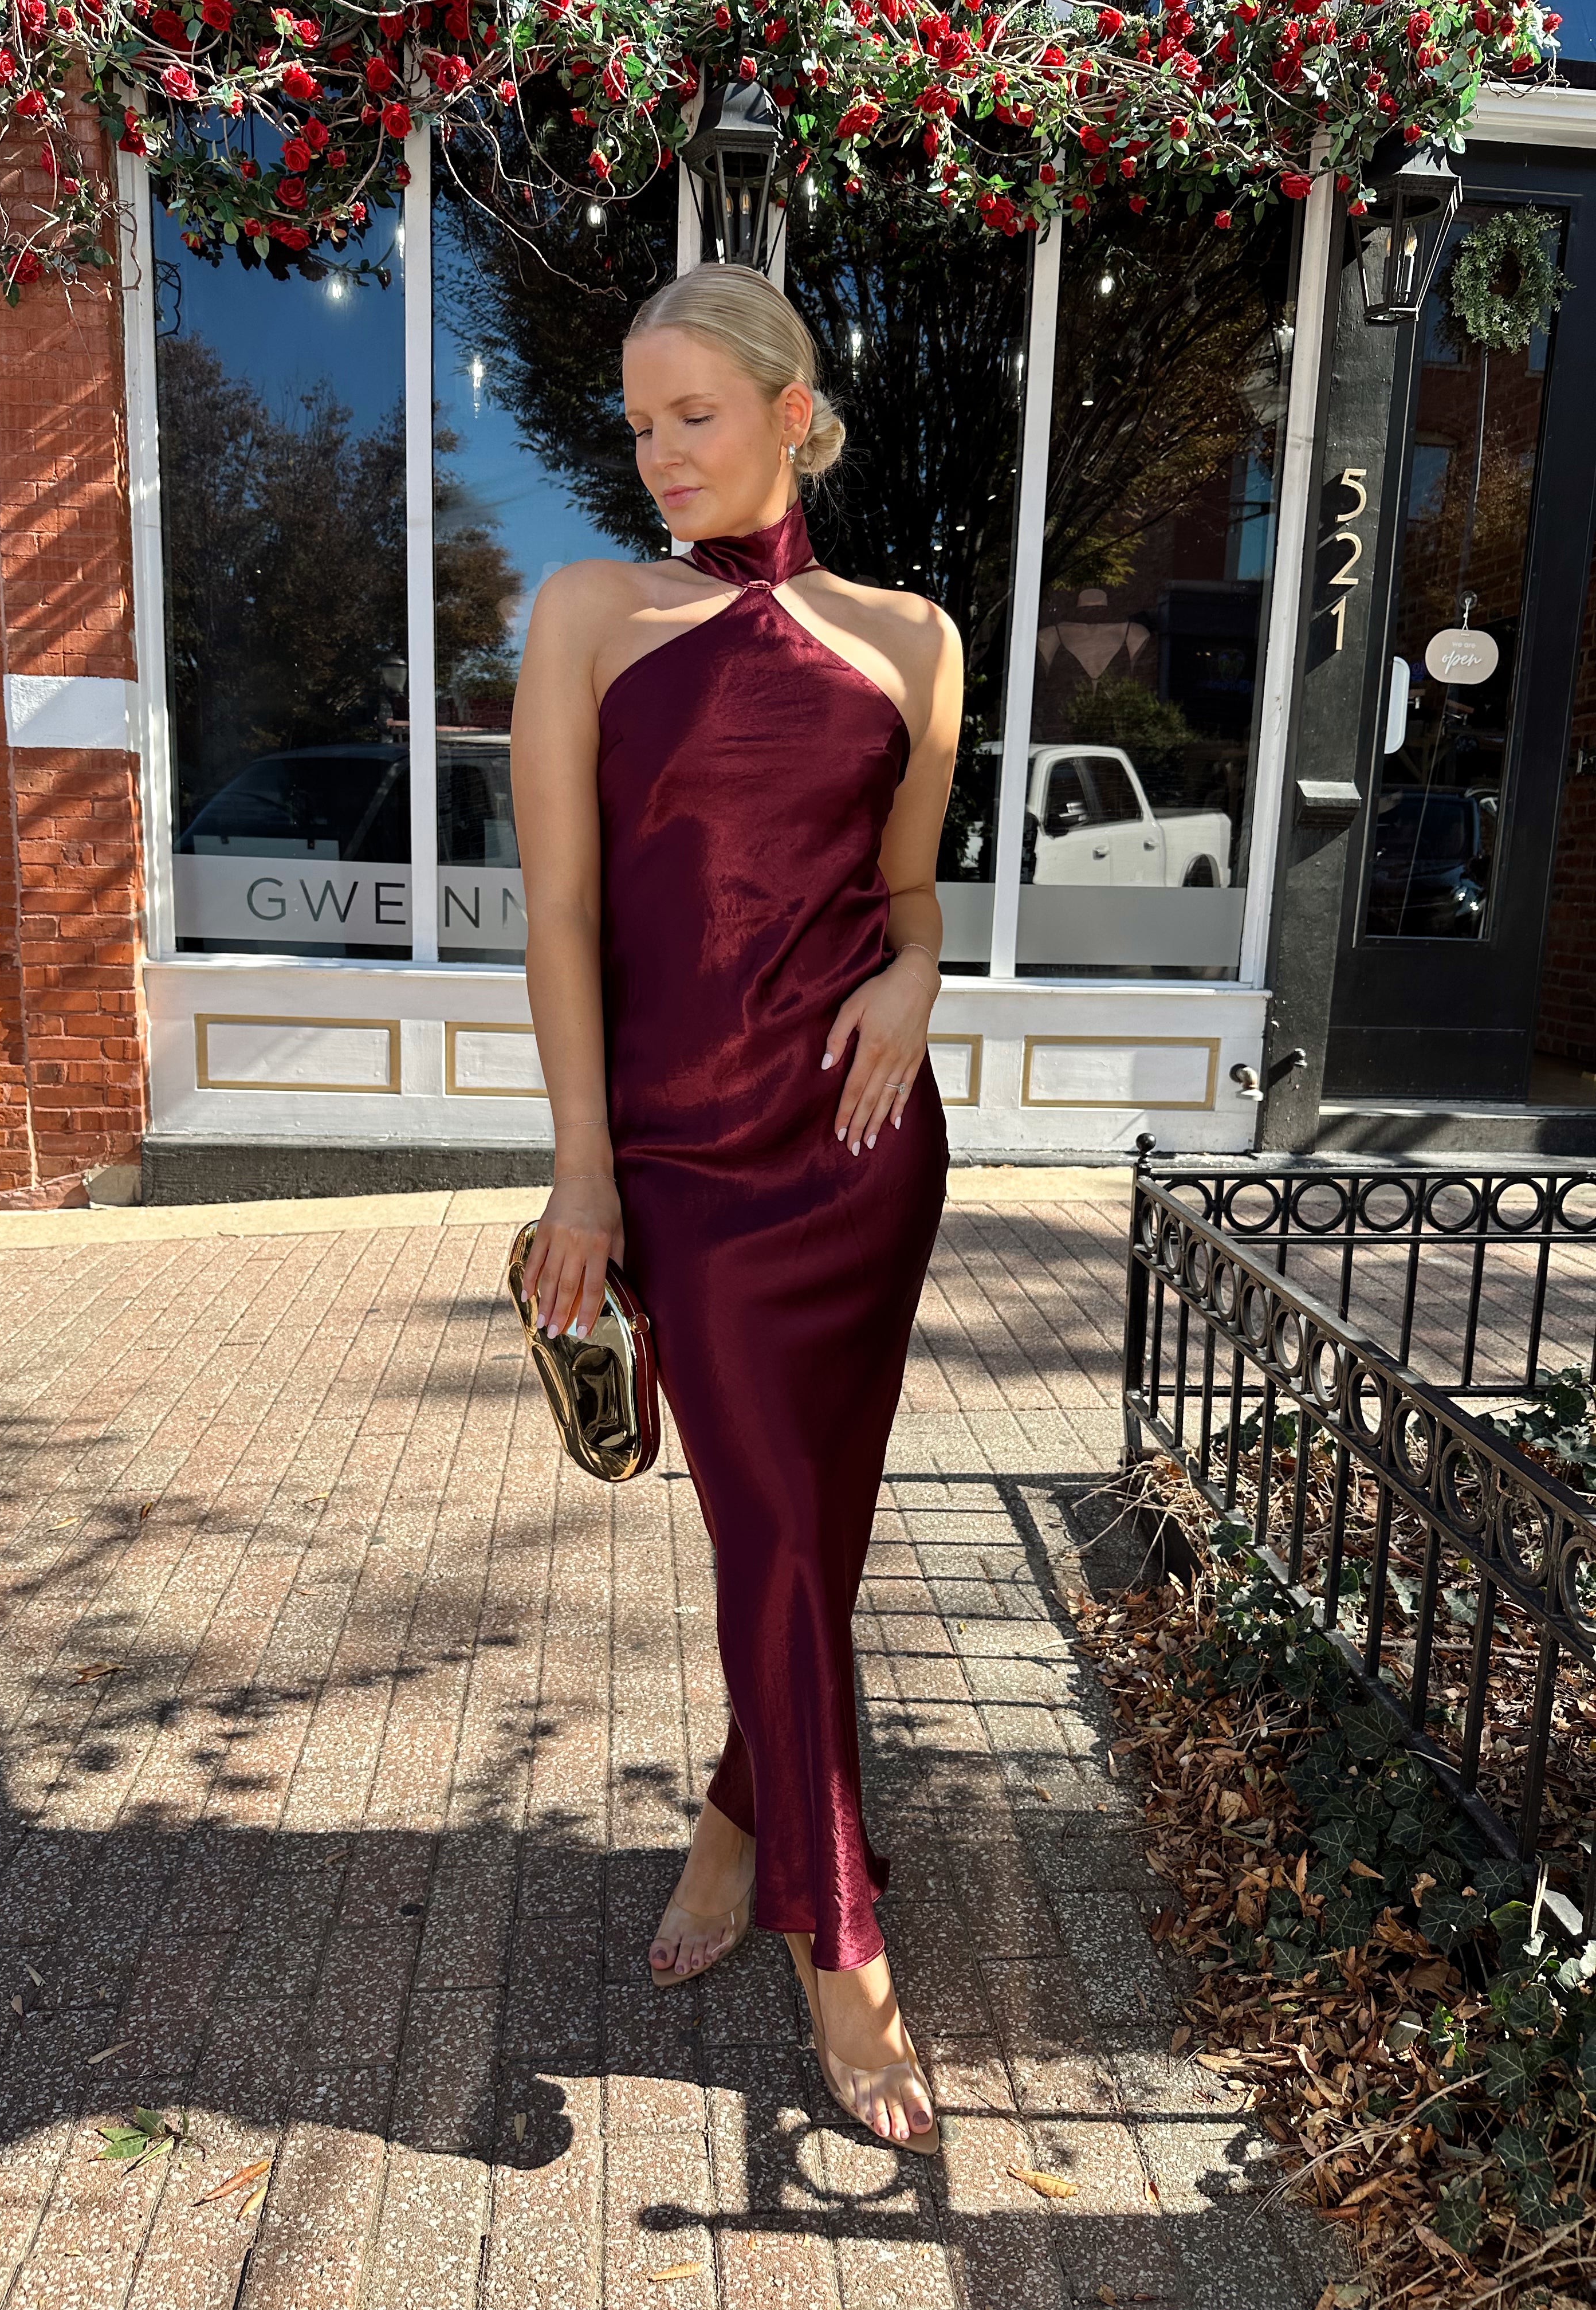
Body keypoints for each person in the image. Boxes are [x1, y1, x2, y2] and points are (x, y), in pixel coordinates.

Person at [510, 262, 962, 2152]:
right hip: (684, 1170)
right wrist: (585, 1176)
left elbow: (915, 895)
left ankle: (732, 1828)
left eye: (694, 415)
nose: (657, 456)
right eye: (637, 424)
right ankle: (838, 1957)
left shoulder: (914, 636)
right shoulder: (595, 615)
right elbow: (559, 916)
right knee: (773, 1541)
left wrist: (920, 978)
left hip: (860, 1151)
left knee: (810, 1544)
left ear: (793, 412)